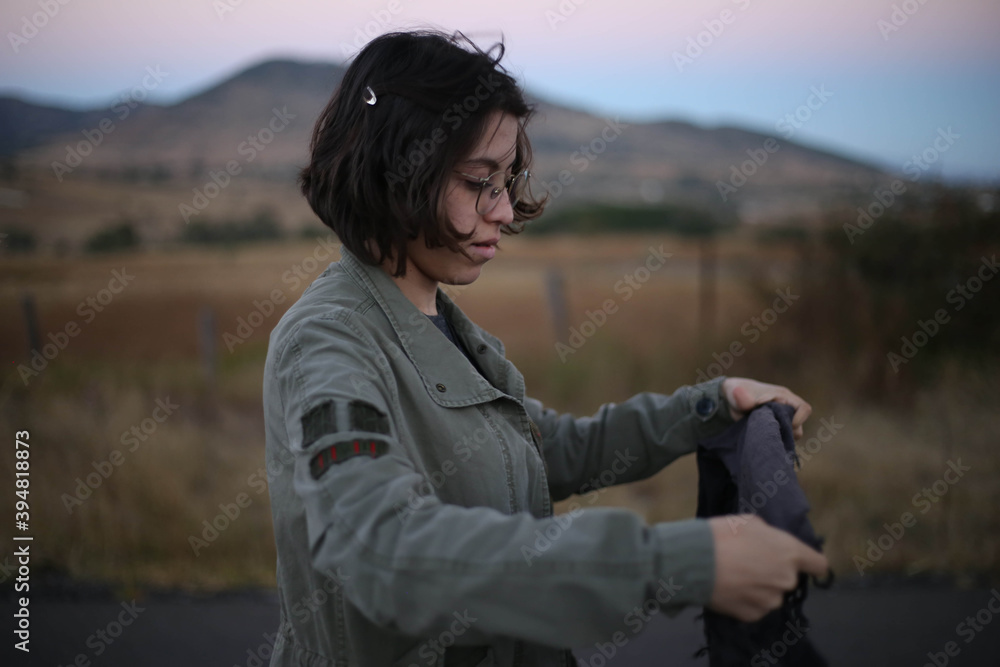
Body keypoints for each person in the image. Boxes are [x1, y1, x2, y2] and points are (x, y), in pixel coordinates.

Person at [262, 28, 828, 667]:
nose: (504, 210)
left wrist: (711, 407)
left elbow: (544, 452)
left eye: (508, 179)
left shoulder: (442, 325)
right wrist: (681, 562)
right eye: (480, 182)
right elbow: (381, 550)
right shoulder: (327, 343)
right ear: (397, 176)